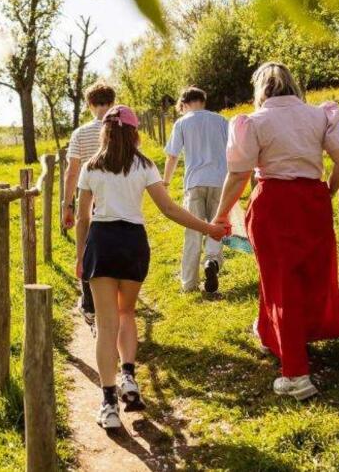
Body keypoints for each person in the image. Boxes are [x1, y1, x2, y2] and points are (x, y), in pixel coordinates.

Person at [75, 105, 228, 429]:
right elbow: (169, 209)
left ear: (105, 132)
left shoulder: (91, 167)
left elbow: (82, 218)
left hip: (101, 243)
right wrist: (208, 229)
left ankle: (108, 404)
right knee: (127, 313)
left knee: (106, 325)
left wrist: (80, 257)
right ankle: (128, 376)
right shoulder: (144, 165)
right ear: (134, 133)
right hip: (132, 243)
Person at [212, 62, 339, 400]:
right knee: (309, 275)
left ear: (260, 89)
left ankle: (296, 374)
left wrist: (220, 214)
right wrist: (328, 190)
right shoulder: (321, 115)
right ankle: (272, 336)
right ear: (294, 85)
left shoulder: (253, 122)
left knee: (280, 282)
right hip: (313, 200)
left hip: (274, 203)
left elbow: (239, 174)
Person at [163, 87, 230, 294]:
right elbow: (233, 150)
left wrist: (165, 183)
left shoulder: (182, 123)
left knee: (192, 231)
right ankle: (212, 261)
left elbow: (172, 155)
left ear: (183, 104)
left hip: (194, 182)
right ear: (203, 101)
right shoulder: (221, 120)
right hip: (220, 181)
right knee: (217, 226)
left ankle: (189, 283)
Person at [64, 82, 117, 330]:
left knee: (87, 249)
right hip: (116, 199)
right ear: (113, 103)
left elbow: (72, 172)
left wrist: (67, 204)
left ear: (89, 104)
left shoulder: (80, 133)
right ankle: (112, 303)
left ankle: (90, 305)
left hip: (89, 199)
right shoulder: (122, 130)